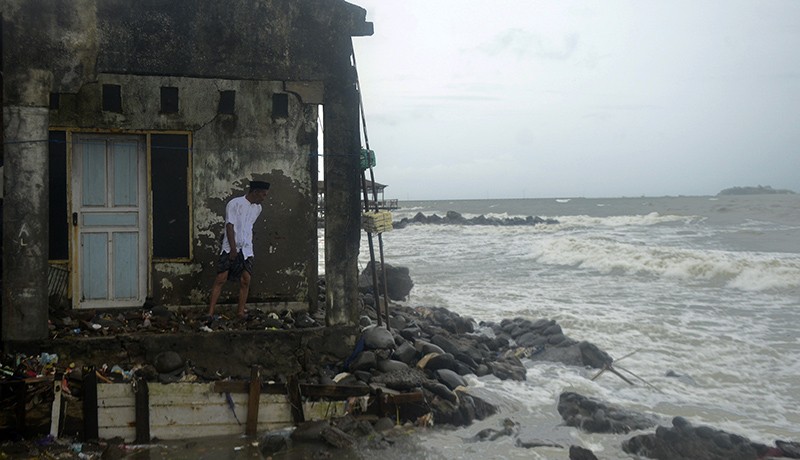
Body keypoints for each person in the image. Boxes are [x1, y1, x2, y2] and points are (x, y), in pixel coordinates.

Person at [208, 180, 270, 318]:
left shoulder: (258, 209)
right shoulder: (234, 203)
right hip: (230, 247)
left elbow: (248, 227)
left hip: (247, 249)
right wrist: (233, 249)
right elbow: (229, 226)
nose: (264, 198)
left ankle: (240, 312)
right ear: (255, 192)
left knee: (246, 280)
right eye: (263, 195)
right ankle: (210, 312)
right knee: (221, 278)